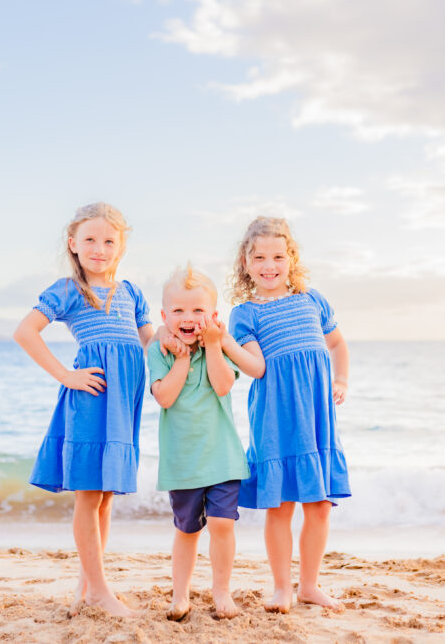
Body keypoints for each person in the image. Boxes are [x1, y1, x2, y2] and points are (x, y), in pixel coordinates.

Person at [13, 202, 153, 618]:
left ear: (121, 247)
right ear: (73, 244)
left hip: (124, 404)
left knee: (106, 495)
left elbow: (151, 339)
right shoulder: (69, 290)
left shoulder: (131, 293)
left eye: (109, 241)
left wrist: (183, 333)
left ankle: (87, 586)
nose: (99, 248)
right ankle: (100, 591)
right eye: (90, 239)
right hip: (92, 399)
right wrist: (65, 375)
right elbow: (25, 331)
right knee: (89, 497)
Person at [227, 216, 351, 613]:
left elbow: (337, 344)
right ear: (245, 262)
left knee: (318, 506)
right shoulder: (245, 314)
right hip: (276, 419)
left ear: (291, 258)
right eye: (259, 257)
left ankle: (310, 585)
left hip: (316, 418)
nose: (269, 265)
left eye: (278, 256)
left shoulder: (312, 300)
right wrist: (225, 344)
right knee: (280, 507)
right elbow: (257, 368)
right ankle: (282, 588)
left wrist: (342, 379)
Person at [147, 265, 251, 621]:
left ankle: (221, 591)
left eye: (197, 311)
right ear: (164, 316)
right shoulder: (160, 350)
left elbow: (223, 385)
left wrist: (212, 347)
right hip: (183, 460)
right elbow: (164, 397)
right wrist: (181, 359)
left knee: (223, 524)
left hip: (222, 456)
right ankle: (181, 595)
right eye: (177, 311)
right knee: (187, 529)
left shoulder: (218, 344)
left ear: (212, 316)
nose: (188, 318)